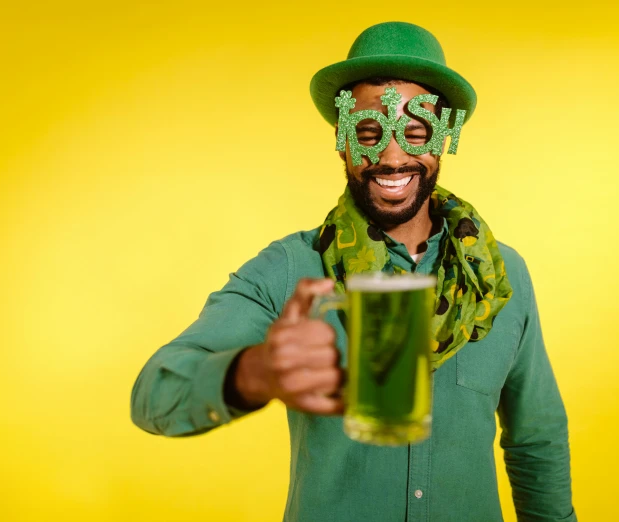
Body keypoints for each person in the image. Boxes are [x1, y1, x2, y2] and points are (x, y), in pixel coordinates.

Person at [131, 21, 577, 522]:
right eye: (369, 133)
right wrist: (254, 372)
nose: (391, 157)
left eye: (413, 132)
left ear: (443, 138)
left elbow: (536, 441)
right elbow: (154, 397)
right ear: (343, 141)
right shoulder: (291, 270)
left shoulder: (499, 277)